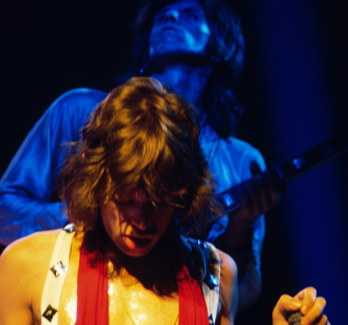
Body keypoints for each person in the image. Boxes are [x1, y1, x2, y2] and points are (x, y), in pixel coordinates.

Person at [0, 0, 278, 309]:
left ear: (220, 45)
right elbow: (3, 211)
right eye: (161, 17)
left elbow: (243, 294)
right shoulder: (79, 110)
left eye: (189, 15)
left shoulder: (242, 160)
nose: (170, 18)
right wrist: (87, 215)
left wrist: (239, 230)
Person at [0, 78, 328, 325]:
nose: (141, 220)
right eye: (126, 200)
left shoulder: (217, 275)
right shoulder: (27, 268)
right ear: (98, 182)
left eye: (159, 203)